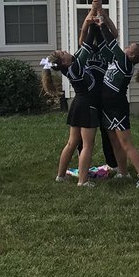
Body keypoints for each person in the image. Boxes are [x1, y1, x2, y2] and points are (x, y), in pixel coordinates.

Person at [41, 11, 101, 187]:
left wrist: (89, 23)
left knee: (72, 142)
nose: (66, 51)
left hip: (77, 104)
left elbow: (84, 46)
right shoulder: (76, 65)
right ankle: (82, 181)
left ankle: (61, 175)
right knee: (88, 144)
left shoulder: (70, 66)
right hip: (87, 106)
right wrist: (95, 25)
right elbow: (88, 43)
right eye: (63, 53)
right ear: (64, 62)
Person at [96, 13, 139, 187]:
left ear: (131, 55)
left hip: (117, 107)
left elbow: (111, 43)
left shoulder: (125, 62)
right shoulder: (118, 60)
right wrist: (94, 28)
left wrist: (102, 24)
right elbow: (103, 47)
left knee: (126, 143)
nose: (126, 47)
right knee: (115, 141)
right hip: (108, 106)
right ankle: (123, 172)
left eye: (129, 47)